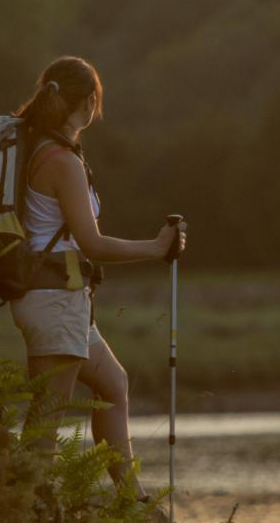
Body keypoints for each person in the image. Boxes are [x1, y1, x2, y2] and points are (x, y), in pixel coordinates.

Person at [9, 56, 186, 499]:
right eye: (97, 101)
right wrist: (156, 247)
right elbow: (93, 244)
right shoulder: (60, 161)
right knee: (47, 420)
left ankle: (133, 503)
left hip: (64, 301)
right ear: (89, 101)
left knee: (112, 385)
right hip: (54, 301)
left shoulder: (42, 147)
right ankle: (23, 514)